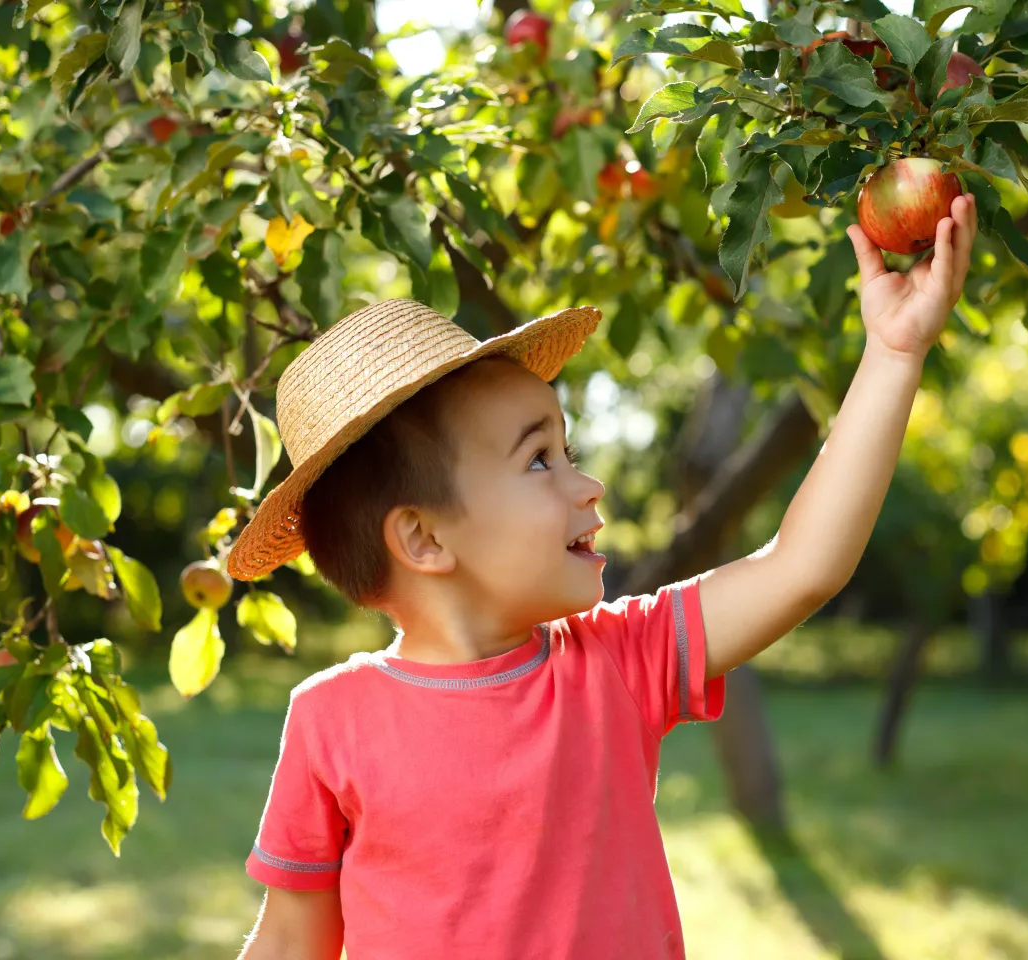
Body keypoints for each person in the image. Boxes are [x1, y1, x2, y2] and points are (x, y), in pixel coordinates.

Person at [231, 195, 979, 959]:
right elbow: (293, 941)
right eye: (538, 460)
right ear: (423, 537)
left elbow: (801, 568)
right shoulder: (332, 721)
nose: (588, 486)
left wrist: (893, 354)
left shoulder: (617, 663)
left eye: (569, 449)